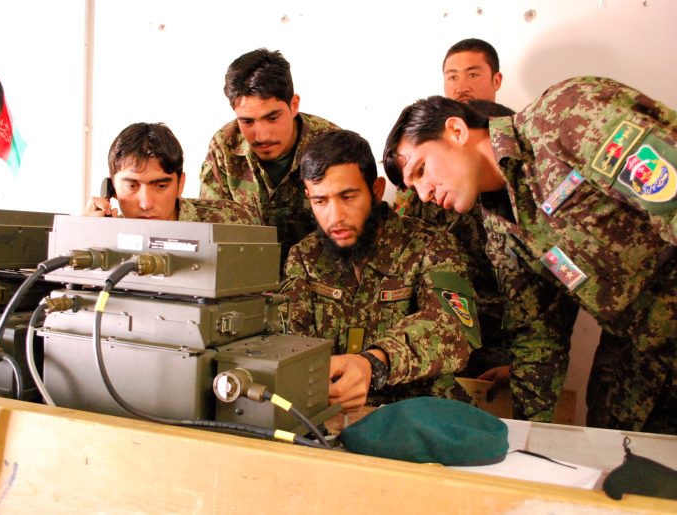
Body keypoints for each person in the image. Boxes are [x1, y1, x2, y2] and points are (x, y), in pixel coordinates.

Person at [382, 76, 677, 434]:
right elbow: (539, 336)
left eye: (421, 170)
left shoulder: (565, 117)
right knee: (614, 444)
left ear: (456, 130)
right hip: (642, 344)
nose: (424, 193)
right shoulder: (501, 230)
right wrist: (526, 439)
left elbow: (669, 195)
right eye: (413, 186)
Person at [281, 129, 481, 412]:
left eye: (348, 197)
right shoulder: (304, 257)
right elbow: (287, 342)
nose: (334, 217)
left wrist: (374, 364)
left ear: (375, 190)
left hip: (417, 415)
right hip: (328, 416)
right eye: (320, 201)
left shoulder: (430, 245)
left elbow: (455, 330)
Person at [393, 38, 516, 397]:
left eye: (473, 74)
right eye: (452, 76)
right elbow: (404, 241)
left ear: (496, 79)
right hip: (446, 323)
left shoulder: (524, 156)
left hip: (510, 329)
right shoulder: (423, 153)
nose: (462, 86)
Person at [199, 48, 340, 267]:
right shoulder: (224, 147)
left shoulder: (331, 146)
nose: (262, 136)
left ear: (294, 105)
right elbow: (210, 229)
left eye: (272, 118)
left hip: (318, 276)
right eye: (247, 122)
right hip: (246, 273)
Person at [84, 122, 255, 224]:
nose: (146, 204)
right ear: (112, 188)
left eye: (161, 186)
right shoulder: (103, 233)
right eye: (131, 186)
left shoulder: (228, 220)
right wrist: (82, 234)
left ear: (180, 185)